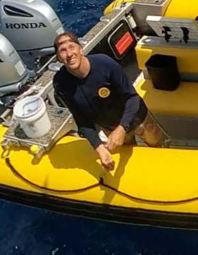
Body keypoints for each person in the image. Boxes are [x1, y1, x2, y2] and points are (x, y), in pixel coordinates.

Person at [52, 31, 163, 171]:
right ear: (58, 58)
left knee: (159, 146)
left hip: (137, 118)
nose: (69, 54)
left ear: (80, 49)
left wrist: (122, 128)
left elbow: (132, 97)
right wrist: (99, 147)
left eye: (72, 47)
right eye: (63, 51)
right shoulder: (60, 83)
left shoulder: (105, 64)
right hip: (109, 127)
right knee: (131, 161)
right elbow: (82, 121)